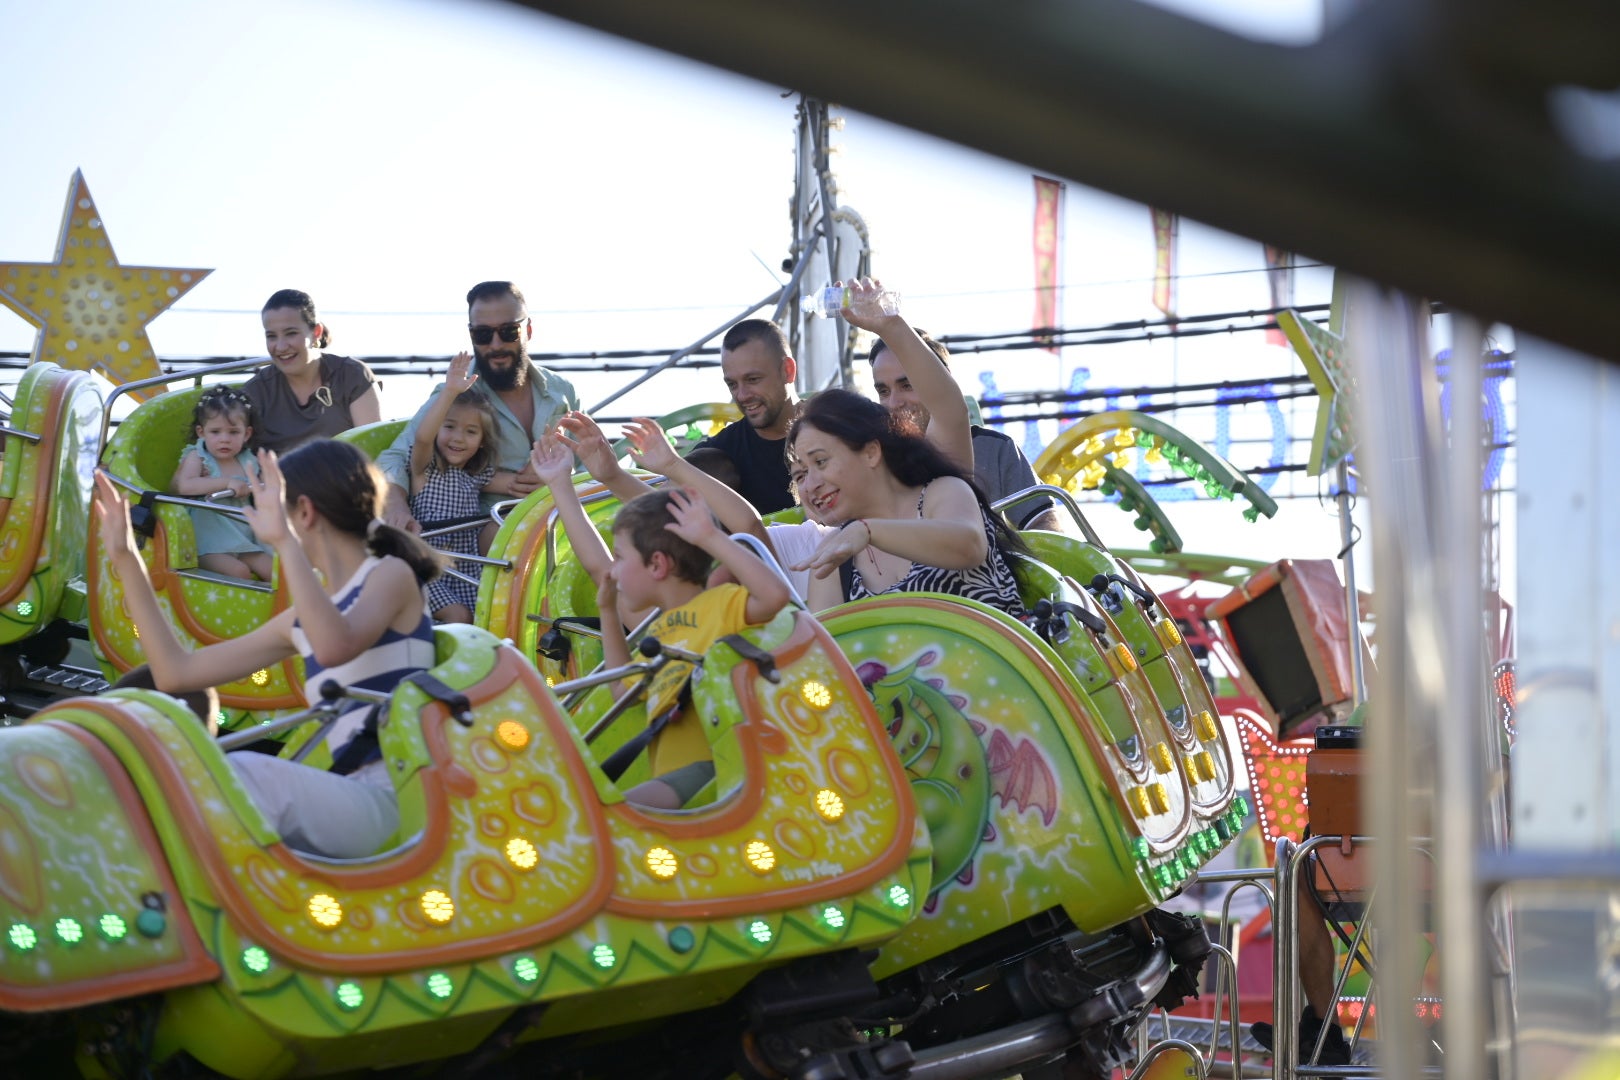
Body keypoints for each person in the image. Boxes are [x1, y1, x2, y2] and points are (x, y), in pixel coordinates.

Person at [93, 440, 443, 859]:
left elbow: (335, 647)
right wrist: (127, 559)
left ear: (305, 512)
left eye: (268, 506)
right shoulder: (307, 616)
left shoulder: (390, 574)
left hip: (399, 798)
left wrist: (284, 544)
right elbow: (175, 675)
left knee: (241, 770)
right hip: (351, 793)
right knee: (176, 779)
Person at [530, 436, 792, 810]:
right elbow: (624, 693)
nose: (614, 569)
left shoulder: (719, 605)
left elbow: (774, 595)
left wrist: (709, 536)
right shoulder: (660, 630)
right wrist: (560, 485)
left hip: (719, 772)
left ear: (657, 565)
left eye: (621, 557)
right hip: (682, 785)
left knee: (611, 818)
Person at [788, 389, 1029, 617]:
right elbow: (826, 652)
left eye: (820, 461)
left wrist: (868, 531)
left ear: (871, 453)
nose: (810, 486)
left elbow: (969, 546)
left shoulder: (942, 492)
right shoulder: (833, 554)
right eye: (801, 474)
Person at [378, 281, 578, 531]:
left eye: (508, 331)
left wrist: (560, 479)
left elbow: (587, 465)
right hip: (490, 539)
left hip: (563, 526)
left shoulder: (563, 390)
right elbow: (396, 457)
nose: (495, 345)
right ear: (471, 334)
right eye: (483, 334)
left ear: (528, 329)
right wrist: (396, 506)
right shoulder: (454, 395)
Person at [869, 331, 1061, 531]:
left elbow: (1044, 526)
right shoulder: (871, 461)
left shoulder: (993, 448)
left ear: (944, 384)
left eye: (907, 385)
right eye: (883, 391)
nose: (894, 403)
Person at [407, 351, 498, 623]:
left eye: (471, 431)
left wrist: (549, 447)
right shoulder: (424, 468)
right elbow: (423, 438)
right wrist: (449, 392)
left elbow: (520, 484)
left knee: (486, 616)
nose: (458, 438)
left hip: (465, 569)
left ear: (482, 441)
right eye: (449, 427)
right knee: (458, 615)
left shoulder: (476, 475)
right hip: (426, 566)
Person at [243, 290, 382, 454]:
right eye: (271, 336)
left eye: (291, 333)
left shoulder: (351, 375)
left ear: (316, 332)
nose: (280, 347)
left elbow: (373, 452)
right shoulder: (256, 392)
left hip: (347, 477)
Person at [690, 318, 800, 515]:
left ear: (787, 371)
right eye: (732, 384)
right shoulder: (719, 454)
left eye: (752, 379)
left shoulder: (839, 423)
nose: (741, 395)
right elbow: (661, 509)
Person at [171, 386, 275, 581]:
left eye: (233, 432)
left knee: (275, 570)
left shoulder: (247, 460)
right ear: (201, 432)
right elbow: (184, 486)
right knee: (239, 572)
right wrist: (226, 482)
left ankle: (285, 610)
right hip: (207, 541)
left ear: (247, 434)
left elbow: (263, 487)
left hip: (241, 538)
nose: (224, 440)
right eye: (216, 432)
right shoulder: (199, 456)